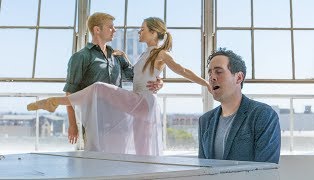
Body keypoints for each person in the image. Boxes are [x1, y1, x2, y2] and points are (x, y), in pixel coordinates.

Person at [27, 17, 211, 156]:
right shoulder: (145, 54)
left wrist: (206, 84)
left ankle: (55, 101)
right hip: (141, 101)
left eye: (142, 30)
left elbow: (183, 70)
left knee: (99, 87)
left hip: (144, 101)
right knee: (142, 147)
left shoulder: (161, 53)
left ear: (154, 33)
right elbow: (138, 75)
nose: (139, 32)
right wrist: (127, 59)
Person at [61, 12, 163, 147]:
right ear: (97, 30)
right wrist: (73, 125)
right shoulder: (81, 57)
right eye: (110, 27)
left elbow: (137, 77)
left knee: (117, 164)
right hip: (94, 122)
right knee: (95, 164)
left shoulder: (117, 56)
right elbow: (70, 93)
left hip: (119, 121)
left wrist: (159, 81)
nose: (114, 30)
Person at [198, 48, 281, 163]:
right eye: (210, 73)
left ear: (239, 78)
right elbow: (202, 168)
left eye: (219, 71)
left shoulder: (263, 115)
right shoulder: (205, 121)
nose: (212, 78)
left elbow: (266, 170)